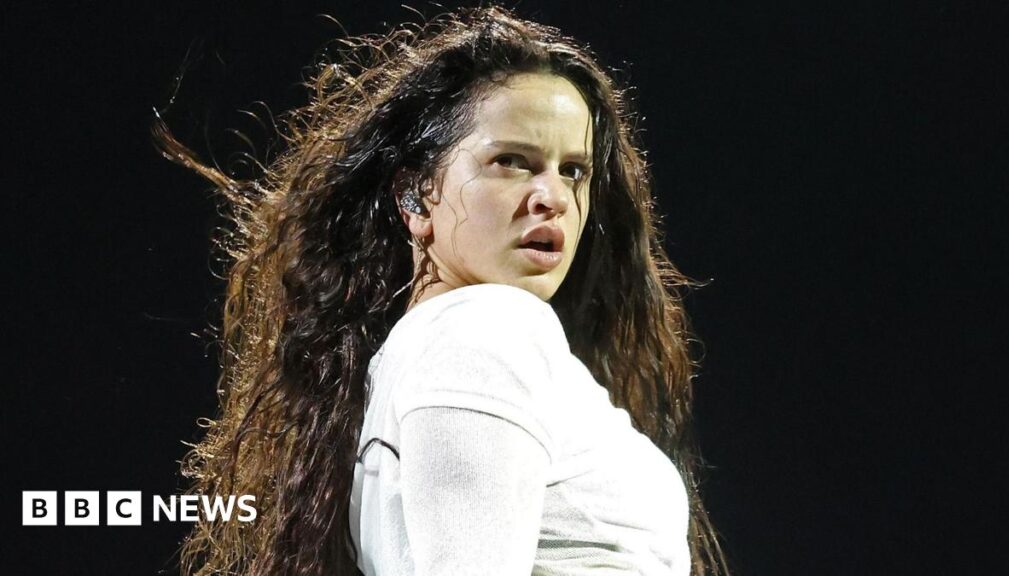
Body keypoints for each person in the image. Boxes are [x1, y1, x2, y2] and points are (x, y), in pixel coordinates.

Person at [155, 6, 728, 576]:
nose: (552, 195)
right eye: (511, 162)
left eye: (573, 170)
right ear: (416, 198)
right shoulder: (485, 332)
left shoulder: (420, 357)